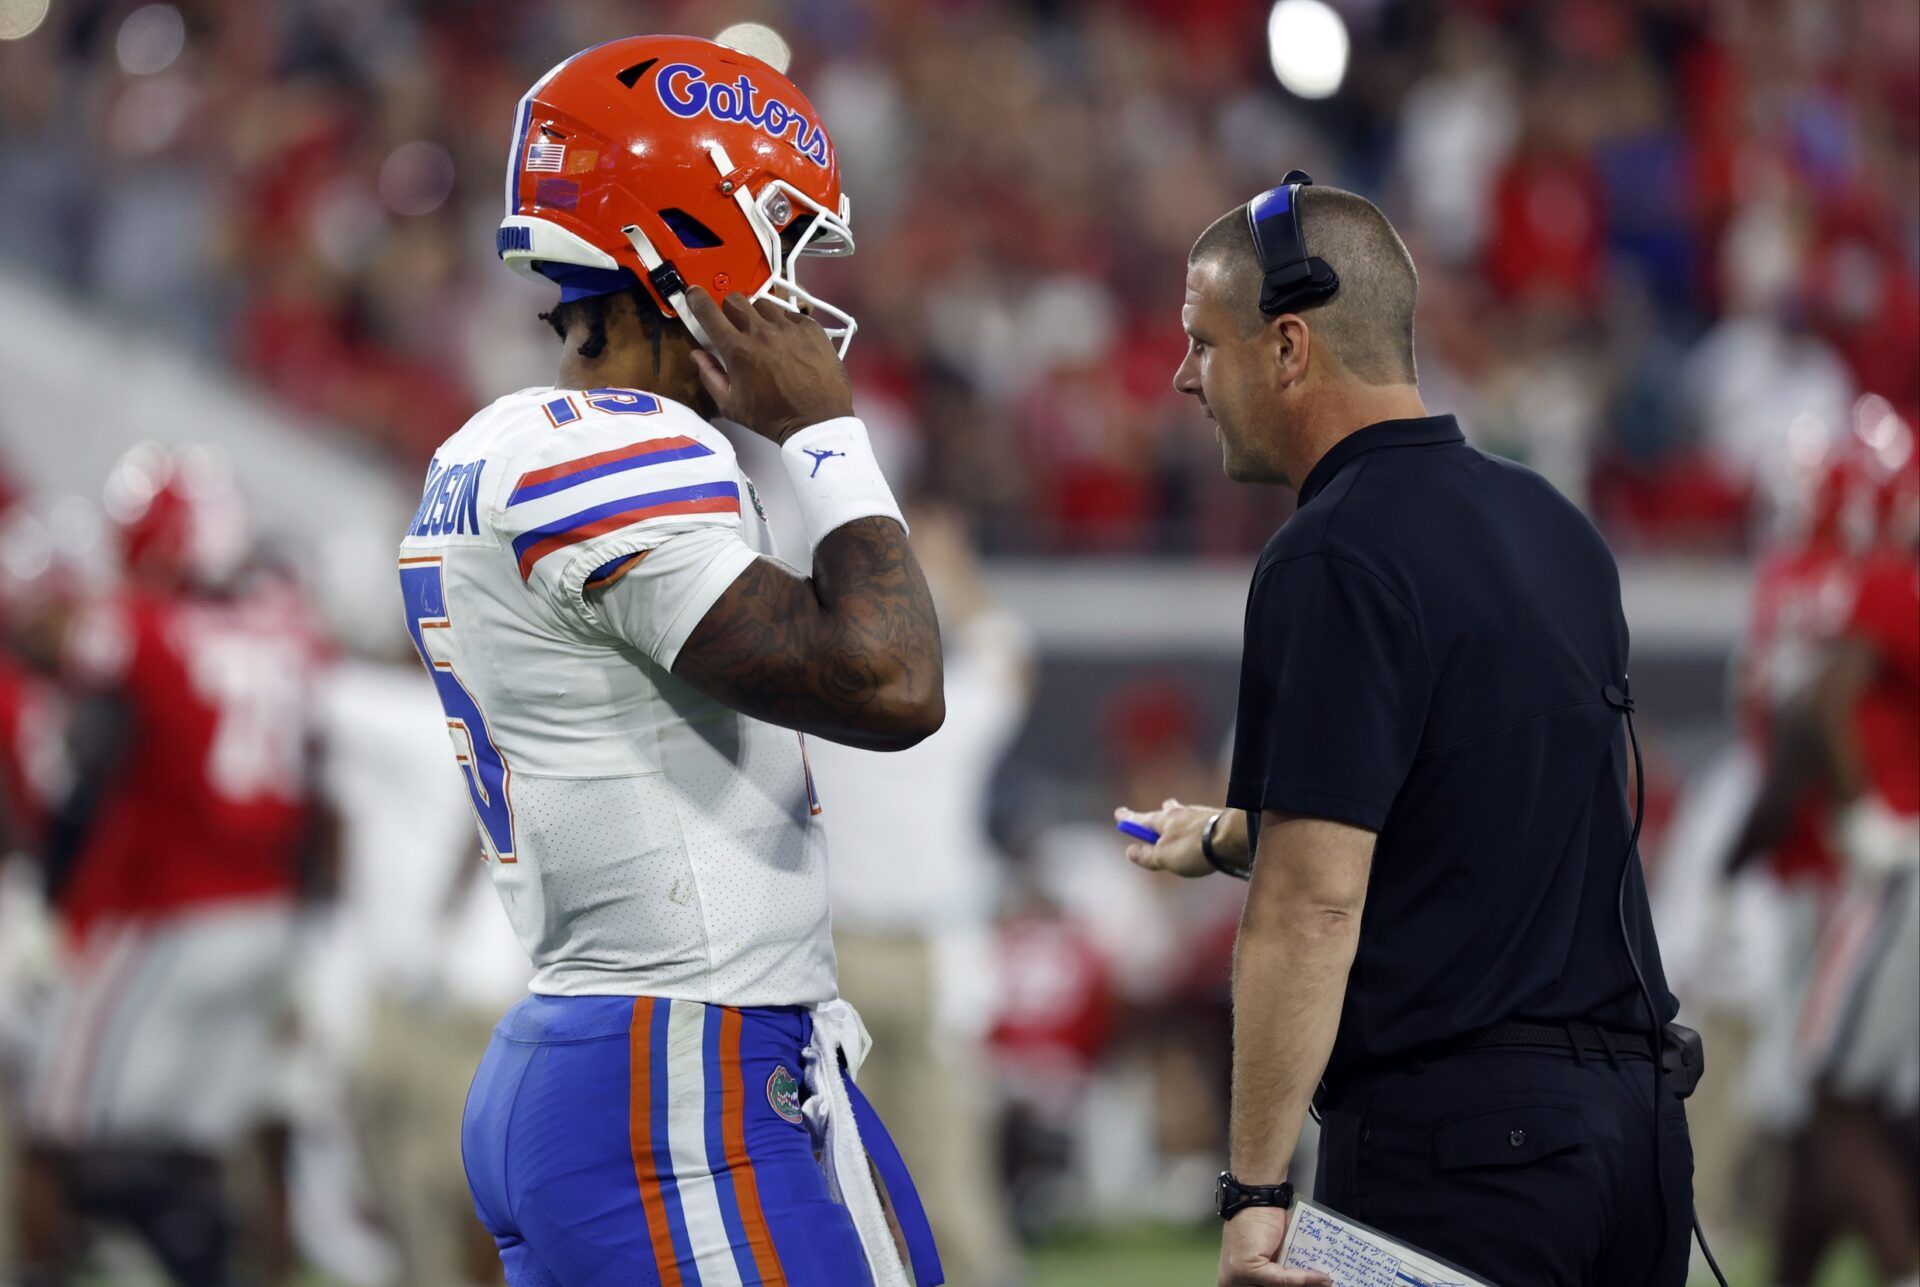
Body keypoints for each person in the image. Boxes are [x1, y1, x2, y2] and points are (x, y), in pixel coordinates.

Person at [403, 36, 945, 1287]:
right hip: (676, 1070)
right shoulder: (614, 448)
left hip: (637, 1051)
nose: (800, 290)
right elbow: (893, 683)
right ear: (692, 235)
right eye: (780, 237)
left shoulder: (504, 449)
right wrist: (827, 439)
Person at [1115, 177, 1695, 1286]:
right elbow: (1460, 814)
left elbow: (1315, 902)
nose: (1186, 377)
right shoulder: (1555, 526)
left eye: (1202, 342)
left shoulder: (1330, 552)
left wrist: (1252, 1195)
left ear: (1288, 347)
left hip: (1463, 1151)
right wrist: (1239, 834)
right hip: (1635, 1139)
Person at [22, 445, 332, 1287]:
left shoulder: (140, 628)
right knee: (192, 1144)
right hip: (269, 913)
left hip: (171, 909)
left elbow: (82, 773)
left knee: (58, 1124)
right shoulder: (294, 628)